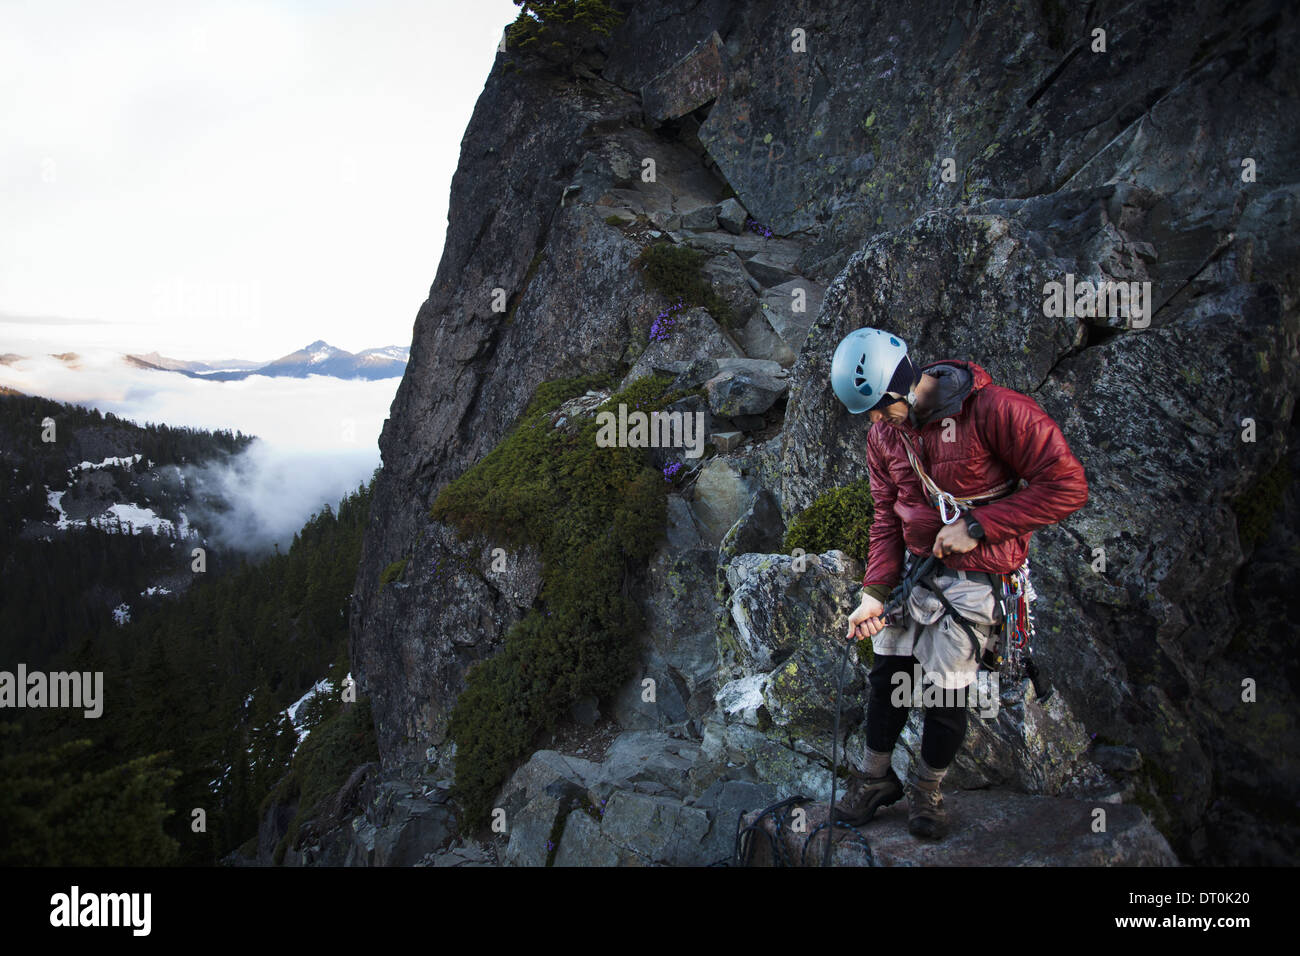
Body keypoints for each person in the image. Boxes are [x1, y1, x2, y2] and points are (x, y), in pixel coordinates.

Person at [829, 327, 1088, 839]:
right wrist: (873, 593)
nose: (876, 420)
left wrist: (977, 527)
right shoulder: (884, 436)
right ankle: (875, 780)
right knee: (887, 677)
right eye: (870, 413)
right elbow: (887, 516)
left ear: (904, 385)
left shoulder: (994, 411)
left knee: (945, 691)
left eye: (881, 407)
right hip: (913, 573)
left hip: (976, 575)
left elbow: (1067, 485)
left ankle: (928, 791)